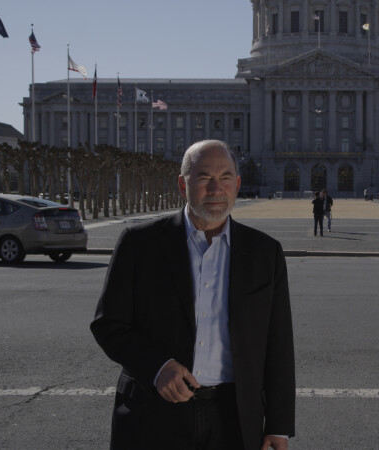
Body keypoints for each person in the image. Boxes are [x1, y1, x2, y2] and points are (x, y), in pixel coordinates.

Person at [90, 140, 295, 450]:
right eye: (203, 178)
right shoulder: (139, 243)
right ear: (182, 185)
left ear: (237, 184)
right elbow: (108, 324)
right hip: (153, 413)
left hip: (234, 418)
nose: (216, 189)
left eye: (225, 177)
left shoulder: (265, 252)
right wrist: (157, 367)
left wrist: (278, 425)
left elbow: (277, 344)